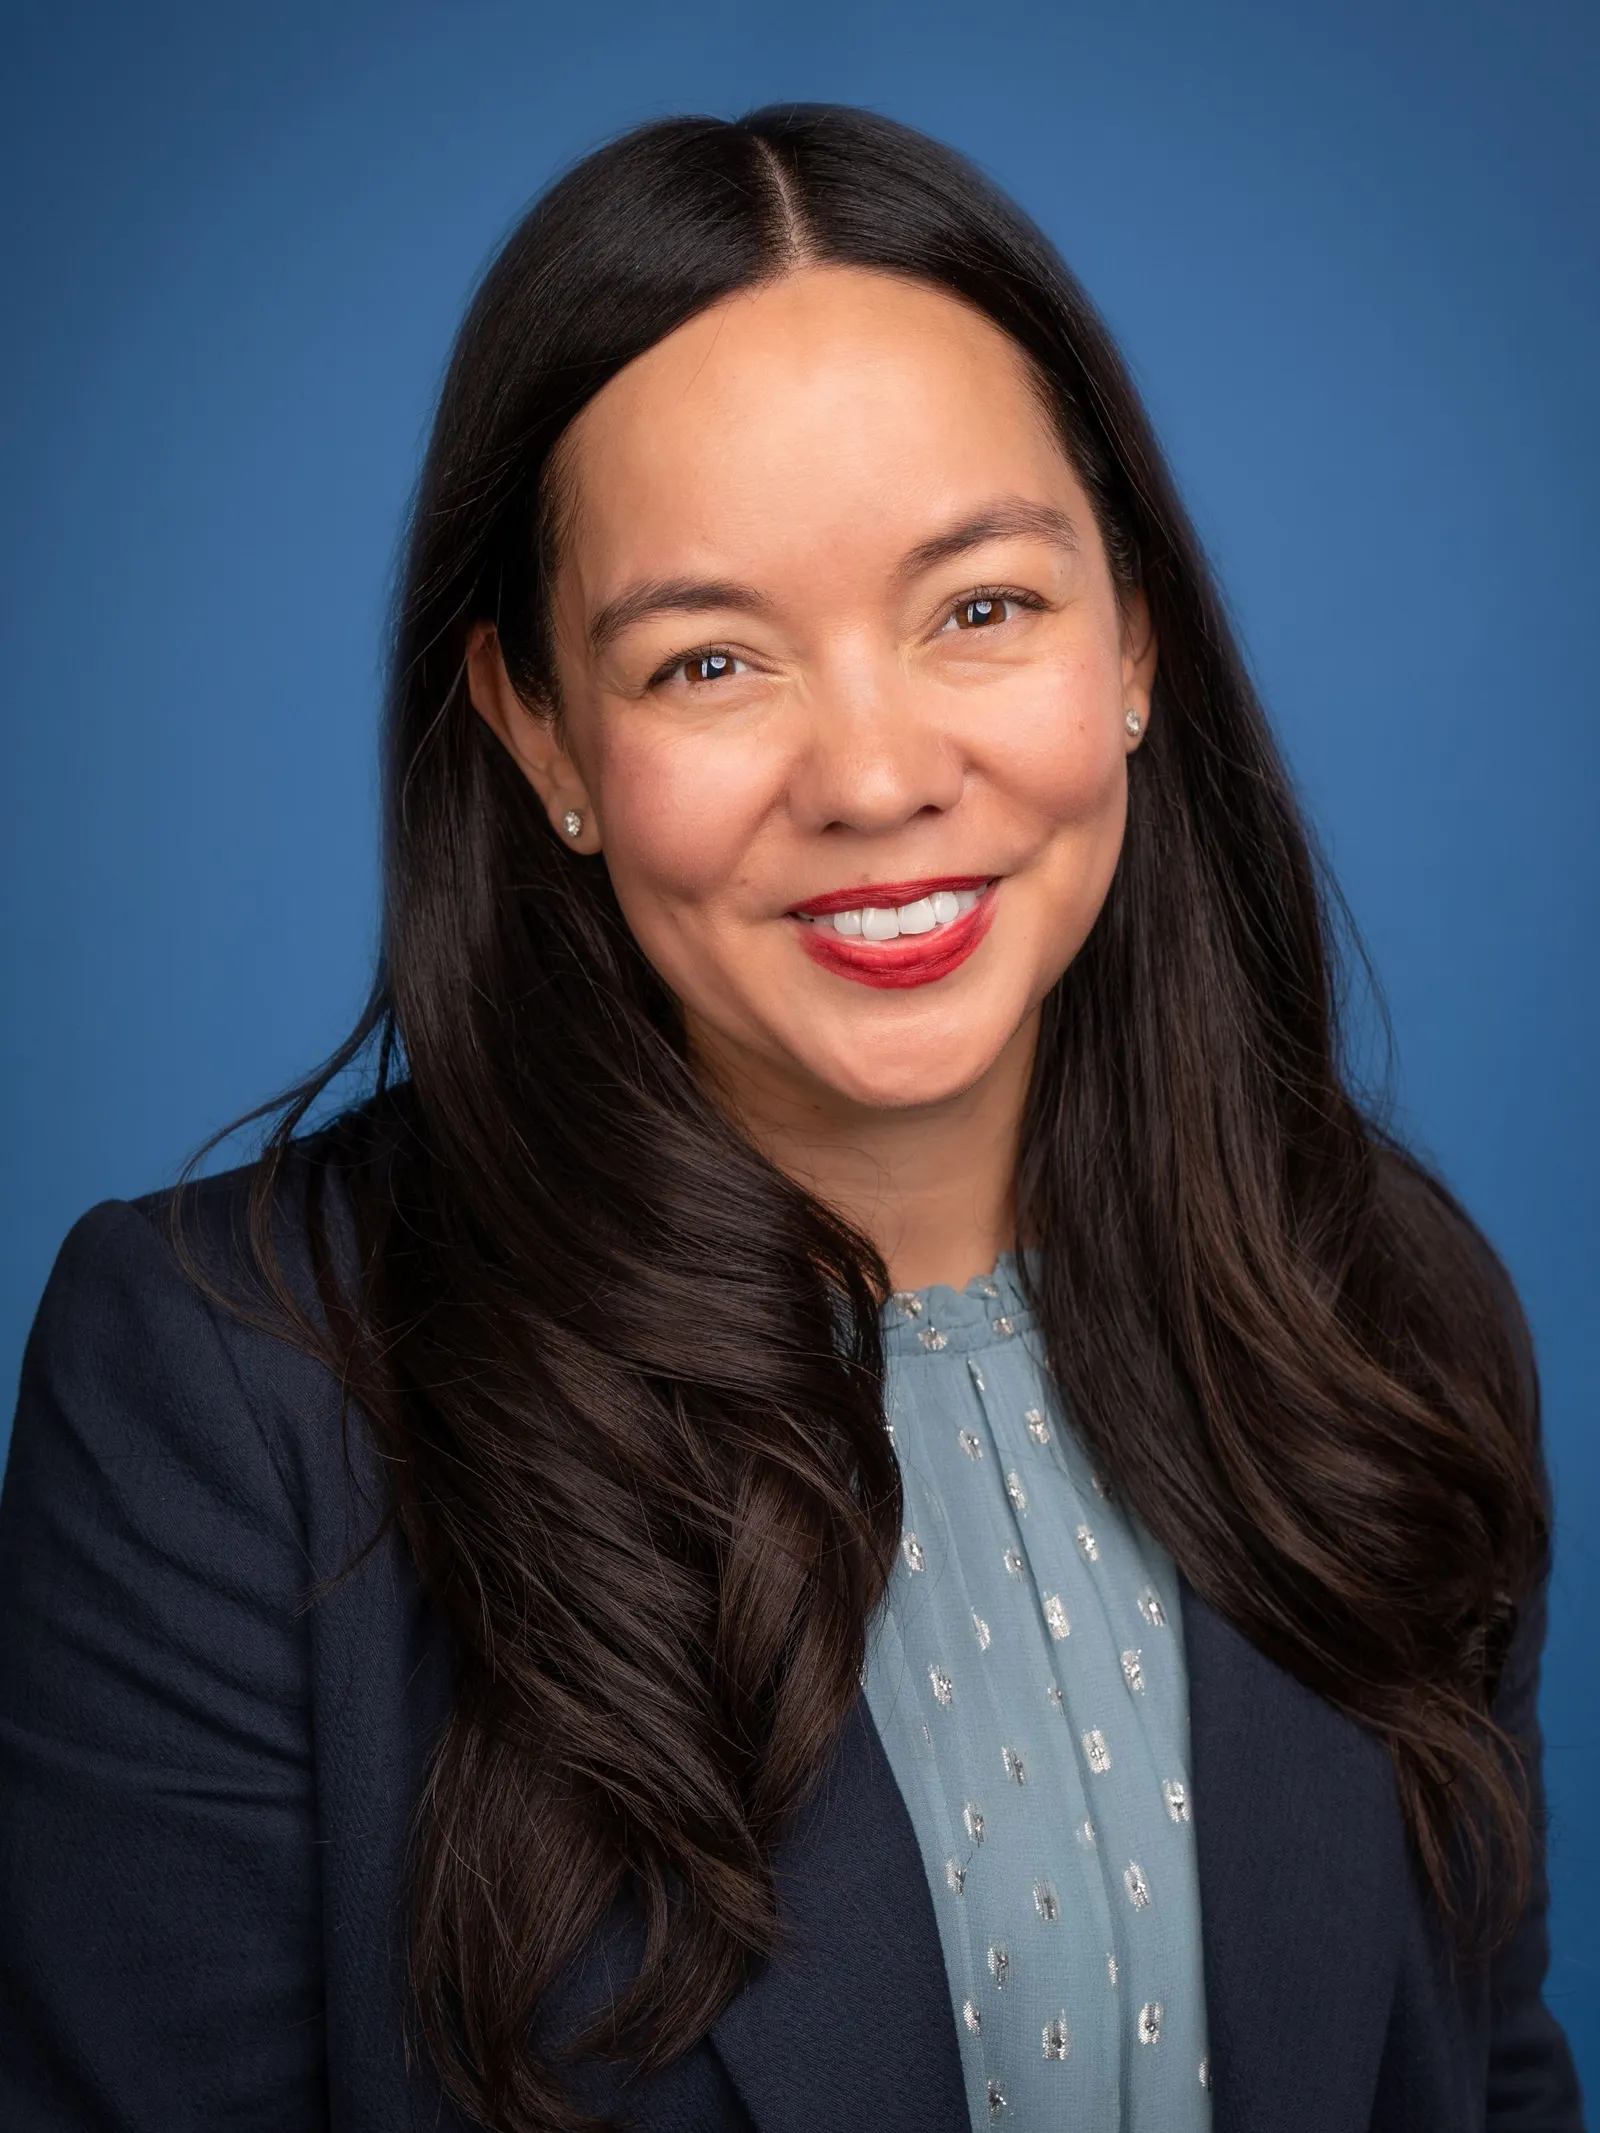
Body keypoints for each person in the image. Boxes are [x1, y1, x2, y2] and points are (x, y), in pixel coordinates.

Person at [0, 104, 1582, 2133]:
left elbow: (1482, 2071)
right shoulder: (232, 1399)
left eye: (980, 608)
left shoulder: (1384, 1311)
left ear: (1133, 639)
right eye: (710, 659)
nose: (869, 772)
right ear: (540, 735)